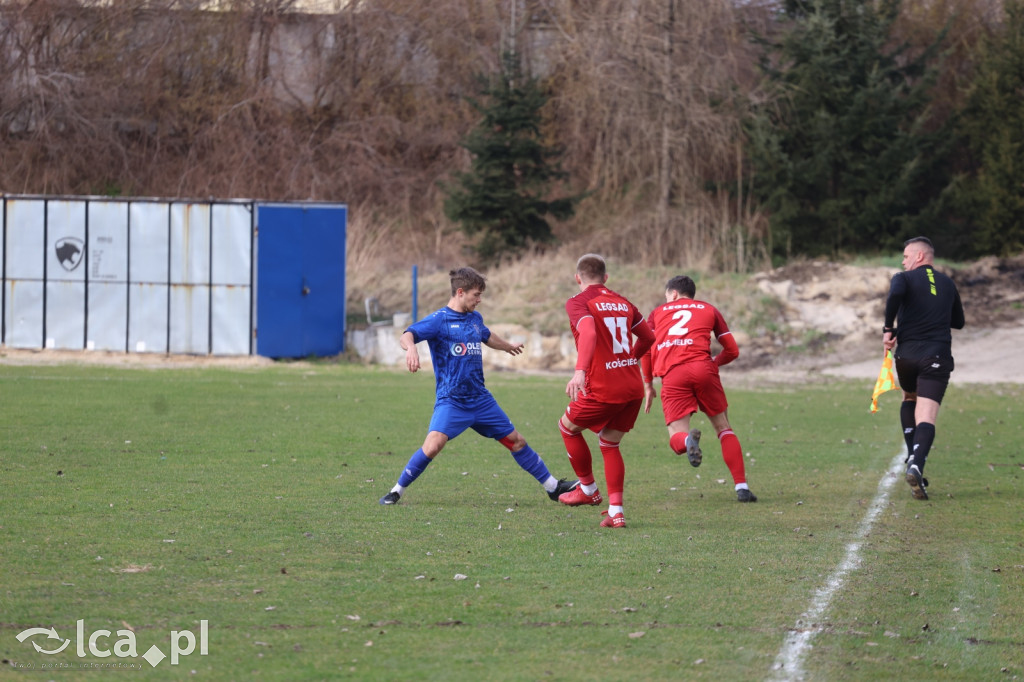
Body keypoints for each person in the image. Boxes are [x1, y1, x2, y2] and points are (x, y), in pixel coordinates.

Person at [379, 267, 578, 505]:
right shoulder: (439, 320)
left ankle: (553, 488)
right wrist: (411, 348)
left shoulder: (475, 318)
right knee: (432, 446)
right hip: (452, 401)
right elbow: (407, 335)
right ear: (460, 292)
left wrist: (506, 346)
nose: (479, 299)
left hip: (481, 400)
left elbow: (486, 335)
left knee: (517, 441)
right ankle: (396, 490)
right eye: (476, 294)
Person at [556, 254, 655, 528]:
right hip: (633, 387)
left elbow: (588, 332)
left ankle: (588, 490)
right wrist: (630, 360)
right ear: (606, 278)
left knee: (567, 427)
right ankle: (616, 512)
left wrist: (579, 371)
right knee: (610, 443)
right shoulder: (623, 302)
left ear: (578, 278)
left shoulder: (579, 302)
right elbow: (649, 337)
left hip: (602, 386)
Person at [640, 275, 757, 503]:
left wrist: (648, 384)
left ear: (673, 294)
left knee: (677, 436)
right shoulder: (709, 309)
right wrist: (714, 363)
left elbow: (645, 348)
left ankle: (687, 442)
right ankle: (741, 487)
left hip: (673, 375)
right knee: (723, 427)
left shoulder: (657, 313)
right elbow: (732, 350)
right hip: (703, 368)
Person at [883, 236, 965, 501]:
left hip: (906, 356)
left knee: (909, 397)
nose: (903, 262)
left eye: (906, 256)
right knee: (927, 414)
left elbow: (895, 294)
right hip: (936, 355)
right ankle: (917, 463)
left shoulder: (903, 279)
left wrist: (888, 328)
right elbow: (959, 322)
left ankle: (912, 457)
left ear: (919, 256)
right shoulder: (948, 283)